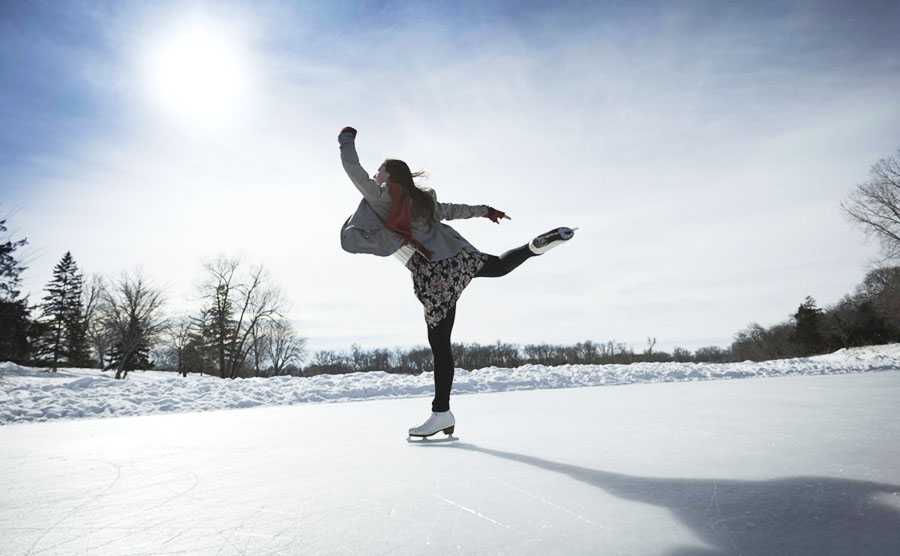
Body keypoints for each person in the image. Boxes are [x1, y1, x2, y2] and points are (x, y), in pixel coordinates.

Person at [337, 126, 576, 438]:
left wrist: (347, 139)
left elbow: (351, 167)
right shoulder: (422, 200)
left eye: (380, 169)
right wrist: (486, 211)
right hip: (459, 258)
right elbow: (454, 210)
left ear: (388, 176)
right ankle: (532, 248)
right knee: (501, 266)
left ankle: (441, 412)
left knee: (441, 347)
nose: (375, 172)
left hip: (435, 275)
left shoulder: (380, 198)